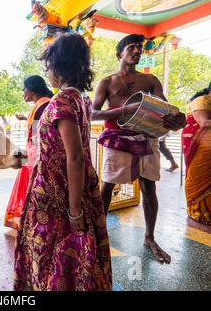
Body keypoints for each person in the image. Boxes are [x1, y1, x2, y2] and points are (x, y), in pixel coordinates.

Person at [14, 34, 112, 291]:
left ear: (60, 66)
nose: (47, 73)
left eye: (48, 67)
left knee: (54, 250)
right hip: (70, 188)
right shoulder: (80, 99)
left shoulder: (61, 102)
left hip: (58, 192)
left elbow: (76, 156)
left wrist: (74, 209)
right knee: (76, 251)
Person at [91, 34, 186, 263]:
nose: (137, 51)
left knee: (148, 186)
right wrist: (125, 109)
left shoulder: (150, 80)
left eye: (139, 48)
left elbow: (165, 107)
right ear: (119, 54)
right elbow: (93, 114)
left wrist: (177, 119)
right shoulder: (107, 82)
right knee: (108, 187)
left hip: (146, 138)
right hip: (117, 138)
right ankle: (97, 236)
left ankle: (150, 237)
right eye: (131, 47)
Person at [4, 75, 52, 230]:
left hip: (37, 154)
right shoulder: (41, 104)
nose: (22, 92)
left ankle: (35, 221)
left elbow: (41, 136)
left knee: (33, 187)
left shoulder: (43, 105)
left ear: (32, 90)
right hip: (34, 152)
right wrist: (26, 119)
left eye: (24, 89)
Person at [181, 83, 211, 226]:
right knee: (199, 178)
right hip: (201, 146)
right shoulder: (202, 100)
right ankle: (199, 211)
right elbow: (204, 123)